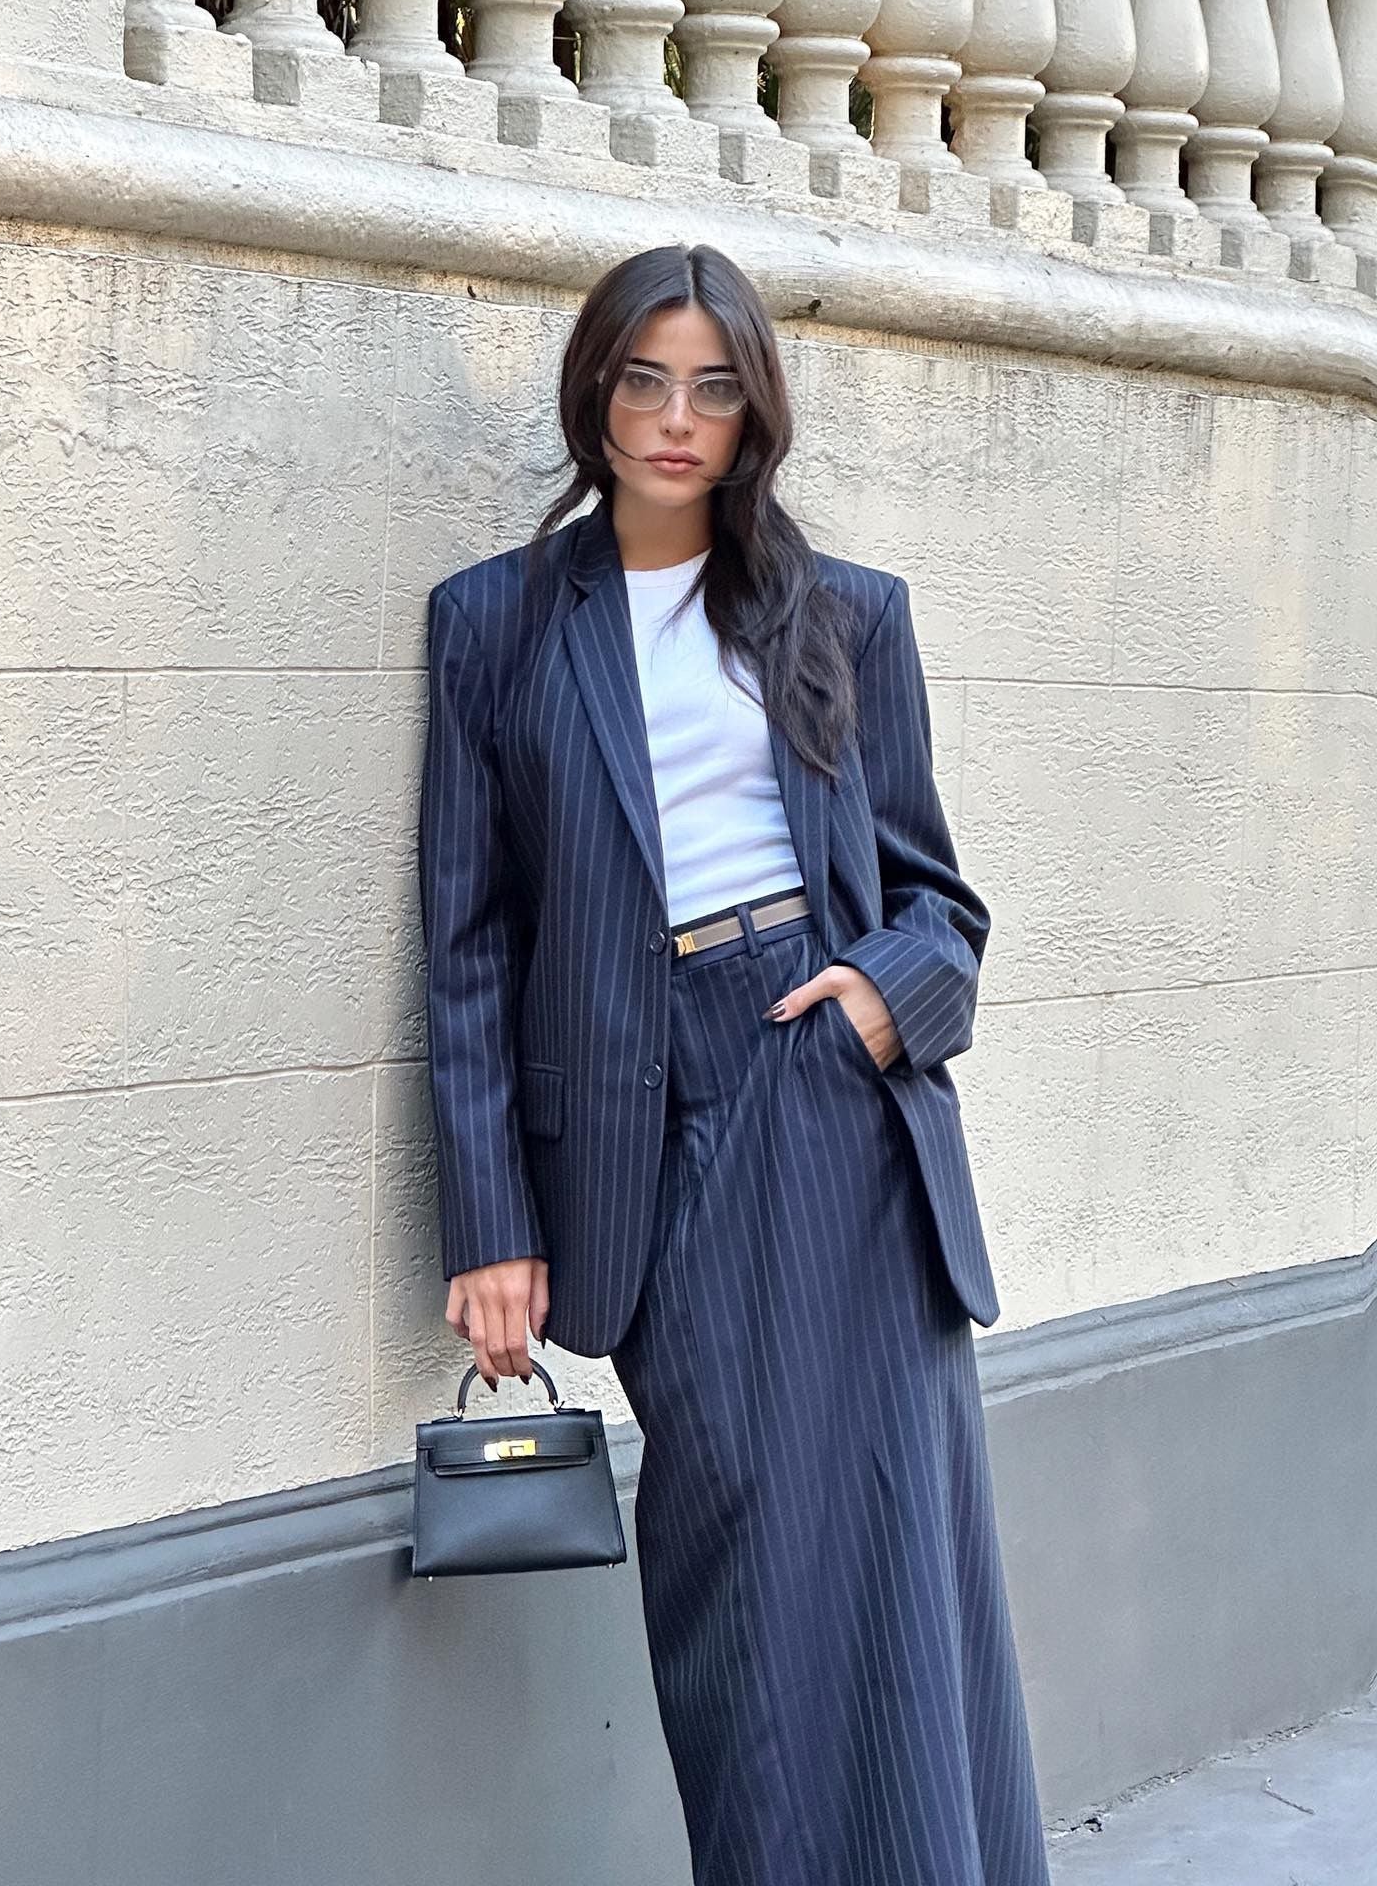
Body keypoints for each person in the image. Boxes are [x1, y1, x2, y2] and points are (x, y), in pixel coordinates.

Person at [418, 241, 1052, 1886]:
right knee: (741, 1570)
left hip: (829, 1093)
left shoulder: (846, 614)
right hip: (645, 1116)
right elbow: (470, 945)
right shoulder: (495, 622)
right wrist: (488, 1222)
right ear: (595, 394)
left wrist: (879, 999)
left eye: (712, 386)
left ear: (753, 409)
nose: (675, 419)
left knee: (902, 1554)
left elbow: (941, 902)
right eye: (644, 379)